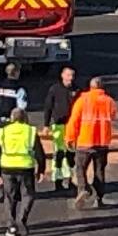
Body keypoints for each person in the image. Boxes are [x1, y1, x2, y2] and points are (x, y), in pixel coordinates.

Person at [64, 75, 118, 209]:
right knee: (99, 171)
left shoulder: (82, 101)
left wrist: (69, 138)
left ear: (91, 87)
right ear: (102, 87)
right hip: (102, 142)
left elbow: (74, 121)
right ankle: (99, 198)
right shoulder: (109, 101)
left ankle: (83, 189)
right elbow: (113, 116)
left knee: (80, 168)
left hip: (85, 141)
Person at [0, 105, 44, 236]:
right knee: (28, 195)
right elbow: (39, 152)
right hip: (26, 168)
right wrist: (41, 169)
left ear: (12, 118)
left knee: (9, 197)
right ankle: (21, 220)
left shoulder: (3, 131)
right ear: (25, 118)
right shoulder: (30, 131)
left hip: (7, 168)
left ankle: (11, 224)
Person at [42, 64, 79, 194]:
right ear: (62, 75)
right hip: (58, 125)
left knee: (71, 154)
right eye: (68, 75)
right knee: (59, 153)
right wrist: (46, 125)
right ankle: (57, 180)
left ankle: (69, 180)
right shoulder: (55, 89)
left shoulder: (77, 90)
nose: (71, 78)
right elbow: (48, 107)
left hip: (72, 127)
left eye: (72, 76)